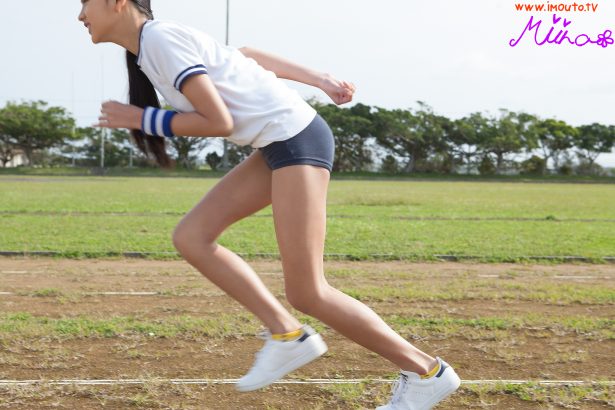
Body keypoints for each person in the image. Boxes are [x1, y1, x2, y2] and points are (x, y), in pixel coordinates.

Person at [78, 0, 461, 408]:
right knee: (192, 236)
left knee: (308, 292)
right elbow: (244, 56)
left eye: (84, 3)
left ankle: (427, 372)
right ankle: (287, 334)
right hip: (278, 143)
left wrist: (142, 119)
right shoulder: (152, 47)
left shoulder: (159, 39)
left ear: (117, 2)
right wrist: (320, 78)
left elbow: (219, 121)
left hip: (295, 138)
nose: (80, 16)